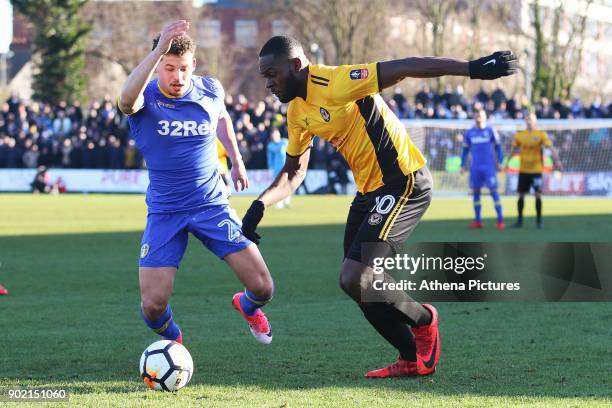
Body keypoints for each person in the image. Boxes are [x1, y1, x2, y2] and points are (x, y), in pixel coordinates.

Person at [242, 35, 517, 377]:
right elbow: (294, 171)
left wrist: (472, 69)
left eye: (272, 74)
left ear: (297, 66)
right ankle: (410, 357)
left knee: (357, 276)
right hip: (369, 192)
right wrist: (259, 204)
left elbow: (404, 67)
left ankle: (424, 320)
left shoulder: (336, 80)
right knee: (354, 283)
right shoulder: (298, 111)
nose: (268, 84)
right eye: (264, 77)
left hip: (404, 181)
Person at [118, 20, 274, 347]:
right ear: (158, 64)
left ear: (194, 65)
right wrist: (159, 47)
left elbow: (221, 117)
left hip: (212, 206)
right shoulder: (144, 98)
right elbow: (124, 101)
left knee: (263, 288)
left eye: (184, 69)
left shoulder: (210, 89)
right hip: (166, 212)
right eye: (169, 68)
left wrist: (236, 159)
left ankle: (245, 306)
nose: (177, 77)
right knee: (152, 305)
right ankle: (174, 340)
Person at [509, 112, 562, 228]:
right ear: (525, 121)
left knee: (538, 195)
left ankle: (538, 221)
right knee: (521, 195)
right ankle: (519, 221)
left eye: (531, 119)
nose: (529, 121)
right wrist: (507, 161)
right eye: (527, 119)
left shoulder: (541, 134)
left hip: (536, 171)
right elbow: (513, 149)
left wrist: (557, 160)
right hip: (523, 170)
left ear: (535, 121)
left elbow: (550, 147)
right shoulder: (520, 135)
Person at [460, 109, 505, 229]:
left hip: (489, 168)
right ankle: (478, 220)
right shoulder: (470, 132)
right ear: (474, 117)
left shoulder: (490, 131)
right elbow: (465, 150)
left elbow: (498, 147)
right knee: (476, 193)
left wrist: (501, 162)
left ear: (485, 117)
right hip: (475, 168)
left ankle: (500, 220)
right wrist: (462, 164)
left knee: (494, 192)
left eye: (480, 115)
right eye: (476, 115)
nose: (478, 117)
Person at [266, 128, 290, 207]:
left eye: (276, 134)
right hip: (277, 168)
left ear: (279, 134)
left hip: (287, 166)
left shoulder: (285, 142)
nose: (274, 136)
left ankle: (286, 201)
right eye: (273, 135)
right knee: (278, 185)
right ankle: (278, 202)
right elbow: (270, 158)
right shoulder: (270, 146)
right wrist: (270, 168)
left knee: (287, 184)